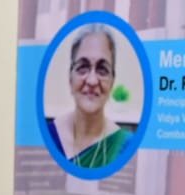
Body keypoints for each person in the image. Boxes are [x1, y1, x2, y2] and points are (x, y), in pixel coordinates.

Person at [47, 24, 132, 170]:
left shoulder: (125, 146)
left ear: (112, 82)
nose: (92, 81)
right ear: (70, 78)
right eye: (83, 67)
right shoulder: (47, 137)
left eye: (102, 69)